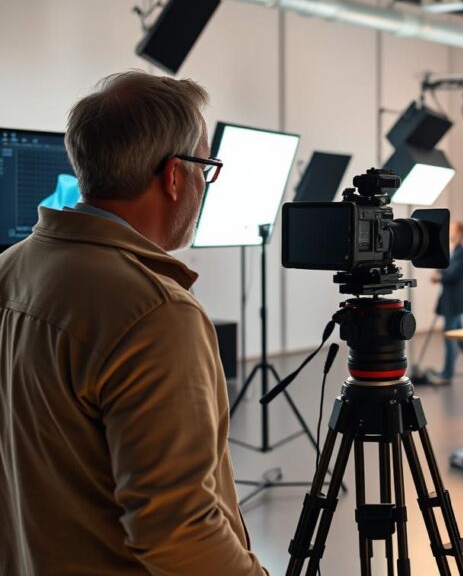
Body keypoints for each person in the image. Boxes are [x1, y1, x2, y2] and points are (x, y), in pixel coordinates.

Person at [0, 72, 265, 575]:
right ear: (173, 175)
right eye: (206, 168)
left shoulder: (11, 267)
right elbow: (180, 531)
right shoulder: (155, 312)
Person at [431, 220, 463, 384]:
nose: (449, 232)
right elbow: (447, 269)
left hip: (454, 301)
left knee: (450, 337)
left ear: (459, 233)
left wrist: (439, 277)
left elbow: (453, 274)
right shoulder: (455, 251)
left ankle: (447, 374)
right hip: (451, 300)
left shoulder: (461, 252)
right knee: (460, 337)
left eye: (452, 230)